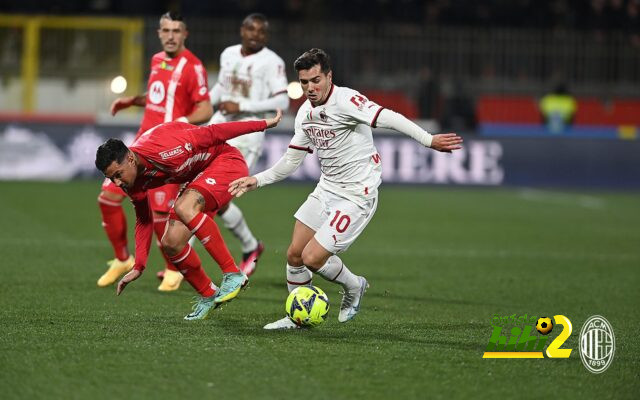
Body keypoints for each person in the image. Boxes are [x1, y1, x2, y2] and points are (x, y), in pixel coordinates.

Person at [228, 48, 463, 330]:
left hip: (356, 194)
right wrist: (258, 179)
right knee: (294, 254)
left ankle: (354, 287)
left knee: (312, 258)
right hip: (327, 188)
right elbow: (292, 160)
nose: (310, 88)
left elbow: (387, 116)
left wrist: (428, 140)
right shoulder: (305, 113)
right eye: (304, 82)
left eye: (315, 80)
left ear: (329, 76)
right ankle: (297, 317)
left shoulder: (347, 100)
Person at [94, 111, 283, 320]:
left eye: (118, 175)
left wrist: (263, 124)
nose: (117, 183)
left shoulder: (165, 147)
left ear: (130, 158)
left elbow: (215, 132)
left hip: (226, 162)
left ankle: (233, 274)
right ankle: (207, 294)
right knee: (170, 242)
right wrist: (139, 266)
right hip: (199, 177)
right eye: (112, 179)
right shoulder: (131, 181)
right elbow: (144, 219)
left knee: (184, 206)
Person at [98, 11, 212, 292]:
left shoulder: (193, 66)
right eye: (166, 30)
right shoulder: (157, 60)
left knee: (161, 212)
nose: (171, 36)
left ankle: (174, 269)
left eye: (176, 31)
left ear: (185, 34)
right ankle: (122, 259)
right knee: (108, 198)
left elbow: (205, 109)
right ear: (159, 33)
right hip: (137, 147)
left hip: (165, 152)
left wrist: (179, 124)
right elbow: (159, 96)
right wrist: (133, 101)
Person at [207, 13, 289, 276]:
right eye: (251, 29)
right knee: (206, 193)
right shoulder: (228, 53)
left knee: (216, 195)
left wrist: (242, 106)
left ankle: (180, 257)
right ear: (242, 30)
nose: (256, 34)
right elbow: (221, 88)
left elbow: (283, 102)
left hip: (247, 135)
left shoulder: (272, 62)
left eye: (261, 31)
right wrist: (200, 106)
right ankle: (251, 246)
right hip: (218, 126)